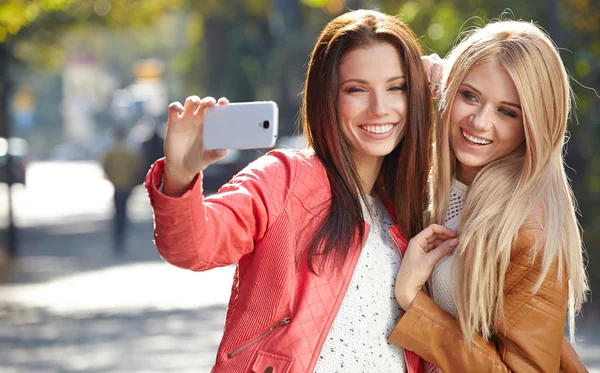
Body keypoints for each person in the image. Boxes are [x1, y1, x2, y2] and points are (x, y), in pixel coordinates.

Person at [144, 9, 440, 373]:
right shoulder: (287, 179)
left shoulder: (409, 204)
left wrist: (446, 81)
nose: (380, 108)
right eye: (357, 89)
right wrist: (179, 176)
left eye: (397, 87)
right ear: (327, 98)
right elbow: (194, 246)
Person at [389, 20, 589, 372]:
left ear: (533, 125)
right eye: (470, 96)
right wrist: (399, 82)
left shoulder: (529, 227)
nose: (479, 122)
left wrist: (413, 301)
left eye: (506, 111)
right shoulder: (433, 176)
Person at [102, 127, 141, 254]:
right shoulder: (130, 153)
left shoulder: (110, 152)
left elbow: (105, 168)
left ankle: (118, 238)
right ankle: (123, 235)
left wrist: (111, 179)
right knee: (124, 212)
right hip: (127, 186)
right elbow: (138, 167)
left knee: (117, 213)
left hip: (116, 187)